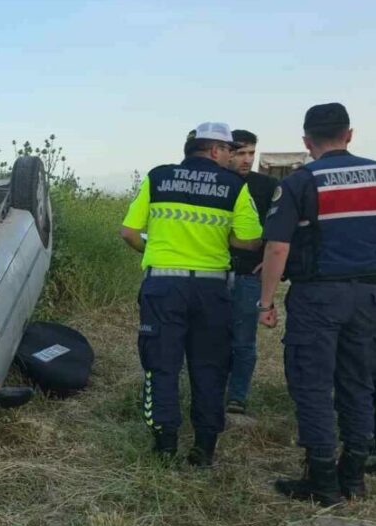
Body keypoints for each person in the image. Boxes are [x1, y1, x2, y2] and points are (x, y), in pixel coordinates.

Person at [121, 122, 262, 466]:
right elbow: (251, 240)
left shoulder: (158, 178)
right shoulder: (234, 187)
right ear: (215, 151)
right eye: (230, 150)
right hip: (212, 289)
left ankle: (165, 442)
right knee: (210, 367)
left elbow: (129, 232)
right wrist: (221, 239)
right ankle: (204, 447)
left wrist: (155, 252)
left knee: (161, 363)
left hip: (163, 287)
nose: (232, 156)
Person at [258, 102, 376, 505]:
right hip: (368, 297)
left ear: (307, 141)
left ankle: (322, 482)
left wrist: (266, 302)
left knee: (312, 385)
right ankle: (355, 477)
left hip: (317, 297)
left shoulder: (301, 182)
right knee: (359, 383)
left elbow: (277, 248)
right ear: (350, 134)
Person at [223, 130, 278, 421]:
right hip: (215, 273)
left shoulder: (267, 185)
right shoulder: (218, 183)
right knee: (214, 337)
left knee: (244, 340)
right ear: (227, 152)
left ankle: (237, 397)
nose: (246, 159)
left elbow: (281, 228)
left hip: (249, 274)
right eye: (240, 152)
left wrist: (269, 263)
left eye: (251, 153)